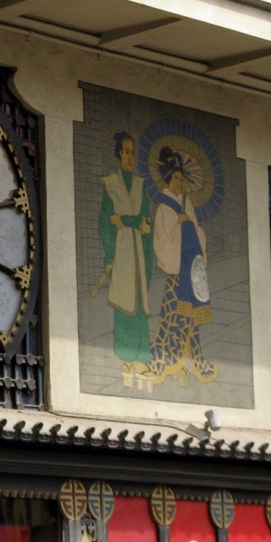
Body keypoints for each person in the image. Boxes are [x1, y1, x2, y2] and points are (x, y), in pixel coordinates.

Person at [148, 147, 216, 386]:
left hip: (190, 268)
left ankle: (189, 363)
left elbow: (198, 231)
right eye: (175, 178)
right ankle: (168, 361)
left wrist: (189, 225)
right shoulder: (165, 206)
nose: (179, 182)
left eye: (181, 178)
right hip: (177, 271)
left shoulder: (188, 205)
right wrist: (178, 225)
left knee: (190, 318)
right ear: (168, 179)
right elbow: (162, 238)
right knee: (173, 315)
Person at [92, 131, 154, 389]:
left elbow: (145, 221)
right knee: (123, 304)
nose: (131, 157)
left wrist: (129, 222)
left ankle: (143, 359)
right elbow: (106, 222)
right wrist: (111, 253)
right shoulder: (111, 183)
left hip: (139, 252)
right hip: (121, 251)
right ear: (119, 154)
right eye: (126, 152)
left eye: (133, 152)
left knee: (139, 305)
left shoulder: (139, 185)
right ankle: (127, 360)